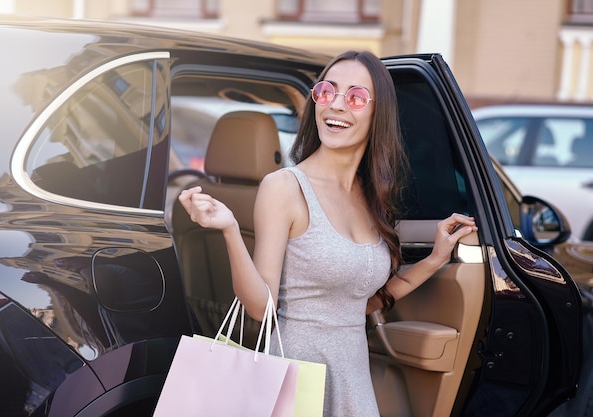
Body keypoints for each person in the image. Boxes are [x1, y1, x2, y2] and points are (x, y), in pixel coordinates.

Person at [178, 50, 477, 417]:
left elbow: (360, 304)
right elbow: (261, 307)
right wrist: (230, 230)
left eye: (355, 97)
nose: (335, 106)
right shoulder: (284, 187)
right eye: (326, 92)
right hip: (294, 382)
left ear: (378, 113)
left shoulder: (371, 197)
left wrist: (434, 261)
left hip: (353, 384)